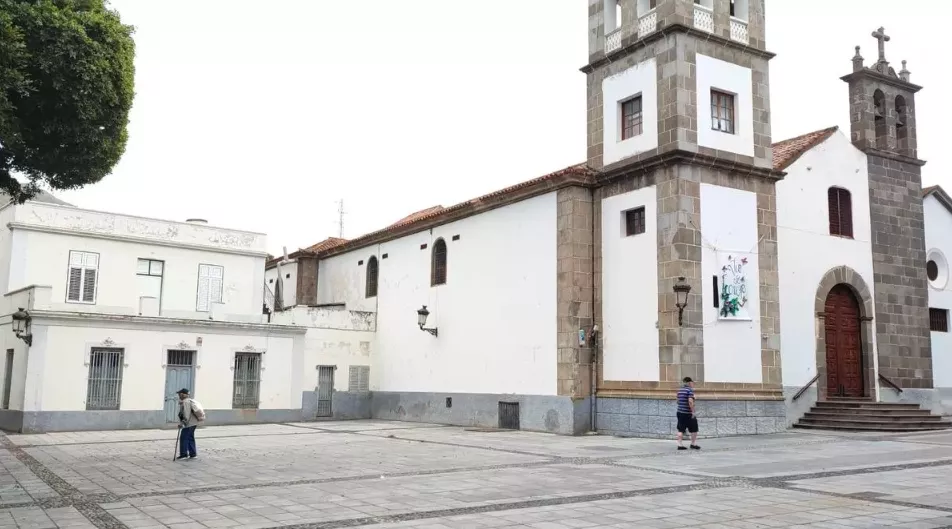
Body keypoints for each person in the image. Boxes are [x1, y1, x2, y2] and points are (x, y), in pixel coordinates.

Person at [176, 388, 205, 460]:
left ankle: (184, 454)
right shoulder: (190, 401)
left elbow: (186, 414)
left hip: (189, 423)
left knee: (184, 438)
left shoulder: (185, 402)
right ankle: (193, 454)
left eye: (179, 394)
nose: (179, 395)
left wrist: (183, 423)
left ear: (183, 394)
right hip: (194, 423)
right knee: (190, 437)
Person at [676, 377, 700, 451]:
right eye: (692, 383)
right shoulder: (689, 390)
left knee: (681, 429)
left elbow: (677, 401)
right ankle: (693, 444)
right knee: (694, 429)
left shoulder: (680, 390)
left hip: (680, 412)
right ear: (689, 383)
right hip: (688, 413)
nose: (693, 384)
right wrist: (693, 412)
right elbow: (690, 402)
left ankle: (680, 445)